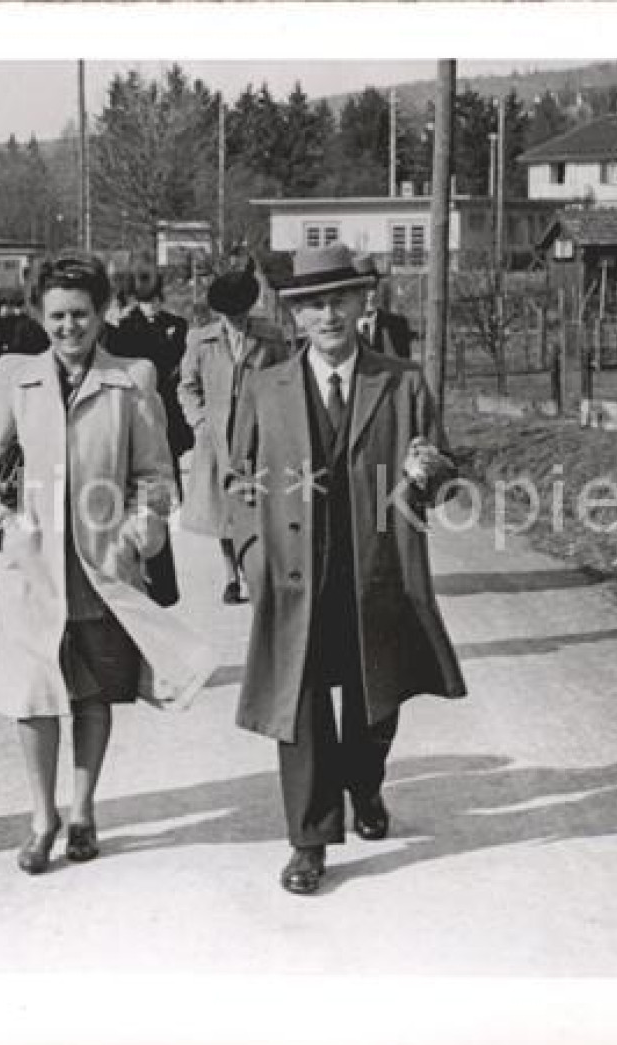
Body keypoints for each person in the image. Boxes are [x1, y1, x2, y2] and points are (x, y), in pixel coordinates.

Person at [226, 243, 467, 896]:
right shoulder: (265, 385)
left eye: (339, 299)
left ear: (364, 304)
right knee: (297, 704)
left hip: (375, 567)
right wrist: (251, 555)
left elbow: (440, 473)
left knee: (373, 698)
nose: (327, 314)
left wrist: (431, 472)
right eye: (311, 304)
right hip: (292, 573)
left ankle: (364, 783)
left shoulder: (402, 381)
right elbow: (237, 483)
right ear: (295, 316)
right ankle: (308, 840)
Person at [0, 252, 215, 875]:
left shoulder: (133, 379)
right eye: (56, 316)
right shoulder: (14, 378)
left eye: (80, 314)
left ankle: (83, 809)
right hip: (32, 570)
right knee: (33, 694)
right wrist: (5, 531)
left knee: (93, 694)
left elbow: (155, 475)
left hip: (102, 566)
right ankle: (41, 816)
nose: (68, 327)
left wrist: (139, 528)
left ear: (101, 314)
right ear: (38, 315)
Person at [177, 261, 288, 605]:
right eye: (229, 313)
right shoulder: (201, 339)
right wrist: (199, 422)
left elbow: (287, 381)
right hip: (217, 438)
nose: (236, 319)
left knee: (255, 504)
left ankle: (255, 570)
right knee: (221, 511)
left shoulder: (270, 337)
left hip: (259, 435)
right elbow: (187, 386)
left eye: (240, 312)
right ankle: (229, 576)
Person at [106, 270, 194, 467]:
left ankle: (173, 493)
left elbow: (181, 356)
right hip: (140, 394)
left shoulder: (176, 324)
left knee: (170, 451)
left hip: (168, 395)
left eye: (155, 300)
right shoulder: (127, 326)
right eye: (146, 302)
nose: (151, 307)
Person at [359, 278, 413, 359]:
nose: (371, 294)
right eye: (365, 289)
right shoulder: (342, 326)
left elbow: (404, 363)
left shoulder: (398, 324)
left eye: (374, 288)